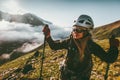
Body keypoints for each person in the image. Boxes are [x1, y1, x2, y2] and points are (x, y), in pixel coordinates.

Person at [42, 15, 119, 80]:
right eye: (74, 29)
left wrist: (114, 47)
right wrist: (48, 36)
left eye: (79, 30)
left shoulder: (91, 45)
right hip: (66, 74)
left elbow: (109, 58)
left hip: (82, 76)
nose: (75, 32)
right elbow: (54, 46)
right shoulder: (70, 41)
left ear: (86, 32)